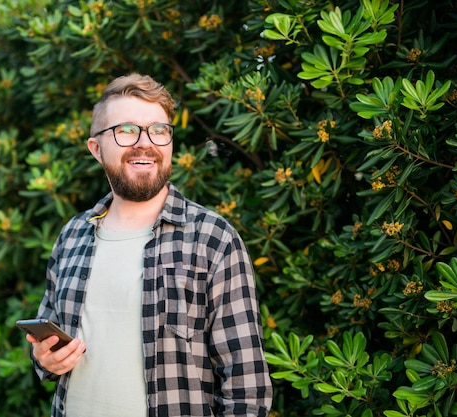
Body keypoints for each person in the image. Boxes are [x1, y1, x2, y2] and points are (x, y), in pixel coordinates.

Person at [26, 73, 273, 417]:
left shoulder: (213, 238)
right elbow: (46, 344)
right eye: (126, 130)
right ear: (96, 149)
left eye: (158, 130)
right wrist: (44, 358)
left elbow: (247, 387)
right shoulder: (72, 235)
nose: (145, 143)